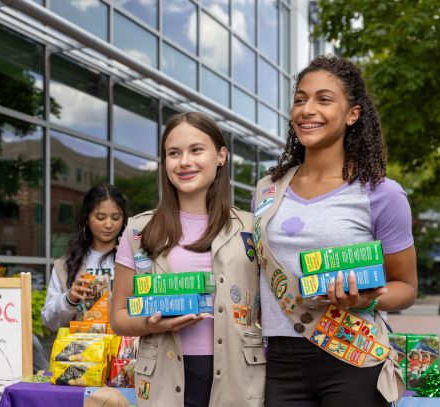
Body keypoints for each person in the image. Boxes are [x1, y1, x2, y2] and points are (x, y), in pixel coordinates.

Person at [253, 55, 417, 406]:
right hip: (280, 360)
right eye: (300, 99)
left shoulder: (382, 193)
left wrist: (367, 298)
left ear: (352, 114)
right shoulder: (268, 189)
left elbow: (405, 288)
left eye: (323, 99)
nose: (307, 109)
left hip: (354, 356)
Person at [110, 112, 265, 406]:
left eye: (196, 150)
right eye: (173, 153)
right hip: (164, 377)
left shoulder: (251, 228)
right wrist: (152, 324)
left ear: (221, 156)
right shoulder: (138, 230)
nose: (184, 162)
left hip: (238, 377)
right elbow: (118, 317)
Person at [42, 183, 127, 331]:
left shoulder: (134, 260)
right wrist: (69, 299)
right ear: (87, 218)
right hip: (82, 352)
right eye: (100, 217)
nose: (109, 224)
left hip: (125, 351)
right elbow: (49, 321)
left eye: (115, 217)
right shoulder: (66, 265)